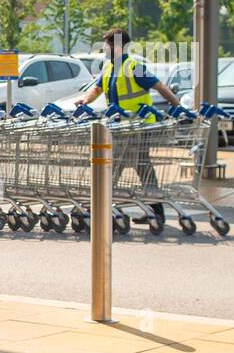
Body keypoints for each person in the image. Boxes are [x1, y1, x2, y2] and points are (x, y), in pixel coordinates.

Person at [74, 28, 182, 224]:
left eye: (107, 44)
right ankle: (152, 210)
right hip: (119, 127)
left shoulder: (134, 66)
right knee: (136, 167)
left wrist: (178, 106)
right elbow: (97, 88)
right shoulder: (108, 68)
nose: (105, 48)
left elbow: (160, 87)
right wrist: (84, 101)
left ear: (118, 46)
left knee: (120, 166)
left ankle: (102, 208)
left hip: (138, 126)